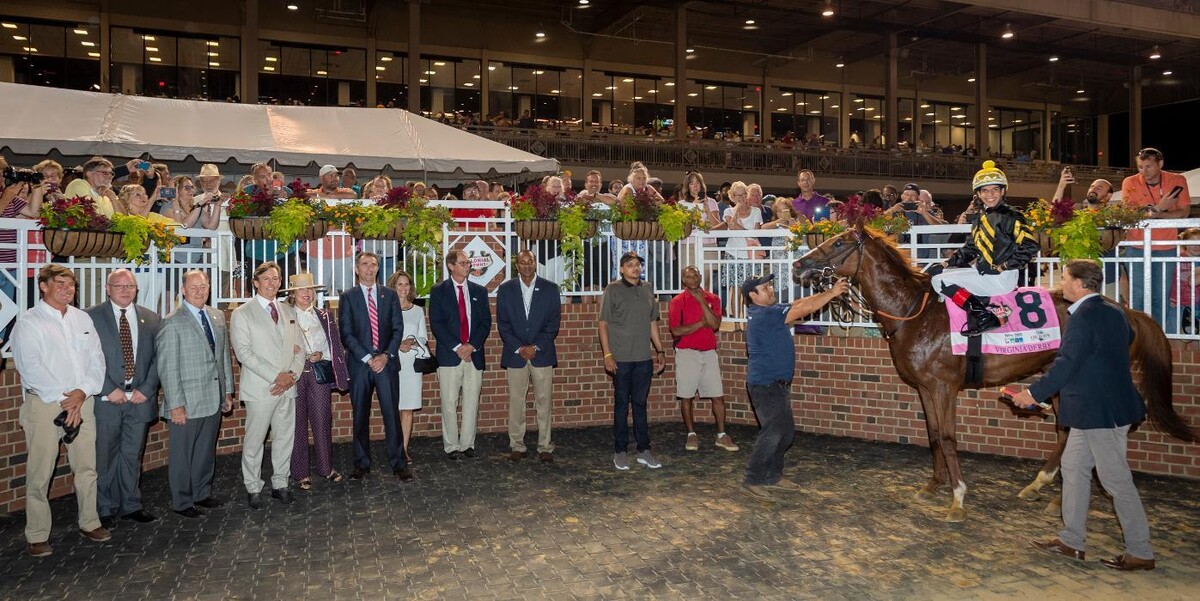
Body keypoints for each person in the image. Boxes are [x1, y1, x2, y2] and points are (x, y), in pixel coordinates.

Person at [1010, 260, 1156, 571]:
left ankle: (1140, 551)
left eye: (1064, 278)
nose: (1060, 283)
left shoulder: (1084, 317)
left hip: (1100, 411)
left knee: (1115, 480)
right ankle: (1071, 540)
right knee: (1073, 468)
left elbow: (1066, 365)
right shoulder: (1113, 310)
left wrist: (1032, 394)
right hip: (1093, 410)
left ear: (1079, 283)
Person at [12, 265, 109, 557]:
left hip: (83, 401)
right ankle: (37, 534)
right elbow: (30, 367)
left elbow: (97, 360)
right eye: (60, 284)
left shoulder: (82, 318)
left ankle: (90, 522)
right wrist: (66, 400)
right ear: (43, 286)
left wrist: (81, 393)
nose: (68, 290)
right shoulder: (29, 322)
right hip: (45, 404)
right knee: (40, 472)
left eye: (71, 285)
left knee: (87, 468)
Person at [740, 272, 849, 501]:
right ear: (753, 295)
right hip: (766, 384)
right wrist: (832, 293)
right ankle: (753, 479)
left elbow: (798, 303)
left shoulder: (768, 311)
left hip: (775, 385)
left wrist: (827, 292)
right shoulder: (763, 314)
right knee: (772, 432)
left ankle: (772, 475)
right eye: (765, 288)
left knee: (786, 433)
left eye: (770, 285)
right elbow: (802, 309)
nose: (771, 289)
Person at [85, 269, 162, 529]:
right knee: (105, 457)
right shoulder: (90, 317)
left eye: (130, 286)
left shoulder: (151, 319)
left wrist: (147, 389)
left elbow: (158, 358)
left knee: (132, 455)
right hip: (107, 400)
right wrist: (107, 388)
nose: (125, 290)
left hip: (139, 399)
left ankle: (131, 505)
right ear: (108, 289)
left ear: (136, 289)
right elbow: (85, 358)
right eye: (118, 286)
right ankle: (105, 508)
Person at [929, 161, 1039, 336]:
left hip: (1001, 278)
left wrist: (1004, 266)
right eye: (985, 190)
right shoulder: (980, 219)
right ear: (978, 194)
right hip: (984, 272)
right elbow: (969, 250)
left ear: (1003, 191)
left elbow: (1030, 246)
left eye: (995, 189)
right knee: (940, 274)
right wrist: (945, 264)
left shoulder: (1012, 215)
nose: (990, 194)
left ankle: (983, 317)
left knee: (939, 281)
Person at [157, 270, 233, 519]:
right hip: (186, 403)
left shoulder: (217, 316)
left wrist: (227, 391)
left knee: (204, 452)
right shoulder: (172, 322)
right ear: (183, 290)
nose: (200, 291)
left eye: (204, 286)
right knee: (182, 455)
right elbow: (167, 368)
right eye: (194, 287)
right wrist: (175, 405)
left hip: (213, 397)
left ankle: (202, 493)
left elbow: (223, 356)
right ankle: (182, 501)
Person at [230, 262, 305, 508]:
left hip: (288, 387)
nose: (271, 283)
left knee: (284, 438)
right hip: (261, 388)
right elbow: (244, 353)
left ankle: (280, 483)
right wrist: (277, 377)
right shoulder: (242, 313)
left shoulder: (289, 311)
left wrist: (291, 376)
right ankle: (253, 487)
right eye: (266, 279)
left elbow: (300, 349)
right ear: (255, 283)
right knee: (255, 441)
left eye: (275, 278)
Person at [338, 251, 408, 479]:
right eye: (365, 264)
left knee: (391, 415)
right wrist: (368, 358)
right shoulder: (348, 297)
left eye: (374, 264)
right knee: (360, 415)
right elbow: (346, 333)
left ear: (378, 268)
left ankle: (399, 464)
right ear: (356, 269)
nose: (369, 268)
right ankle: (361, 463)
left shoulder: (390, 295)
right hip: (360, 366)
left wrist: (386, 356)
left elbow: (397, 329)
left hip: (386, 364)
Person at [599, 251, 666, 471]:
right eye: (630, 265)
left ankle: (644, 450)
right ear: (621, 269)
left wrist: (660, 350)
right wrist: (607, 355)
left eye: (637, 264)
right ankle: (620, 451)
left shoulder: (647, 288)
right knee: (621, 405)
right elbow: (603, 323)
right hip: (620, 358)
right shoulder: (612, 289)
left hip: (643, 358)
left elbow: (652, 322)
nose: (635, 268)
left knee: (640, 404)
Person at [283, 272, 350, 490]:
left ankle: (326, 468)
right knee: (297, 423)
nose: (306, 293)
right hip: (294, 374)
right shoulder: (284, 315)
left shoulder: (324, 315)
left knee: (322, 420)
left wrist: (322, 354)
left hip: (318, 372)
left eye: (309, 289)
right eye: (301, 289)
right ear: (292, 294)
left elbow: (333, 344)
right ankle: (300, 472)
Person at [497, 250, 562, 463]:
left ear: (535, 263)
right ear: (517, 265)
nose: (526, 265)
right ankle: (517, 445)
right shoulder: (506, 289)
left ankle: (545, 446)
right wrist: (519, 347)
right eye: (522, 262)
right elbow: (503, 324)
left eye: (530, 261)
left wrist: (535, 347)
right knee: (516, 401)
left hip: (541, 353)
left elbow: (553, 323)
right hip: (515, 355)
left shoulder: (550, 289)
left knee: (544, 401)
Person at [429, 249, 492, 460]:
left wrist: (471, 346)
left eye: (468, 263)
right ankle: (451, 445)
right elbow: (437, 324)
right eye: (463, 263)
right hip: (449, 356)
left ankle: (467, 444)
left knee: (471, 402)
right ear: (451, 266)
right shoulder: (439, 291)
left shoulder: (479, 291)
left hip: (474, 355)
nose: (468, 266)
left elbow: (485, 323)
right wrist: (458, 347)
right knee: (449, 402)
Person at [1118, 147, 1191, 327]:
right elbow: (1129, 215)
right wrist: (1160, 208)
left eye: (1148, 166)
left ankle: (1158, 335)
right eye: (1140, 167)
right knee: (1137, 295)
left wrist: (1154, 214)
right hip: (1136, 246)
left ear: (1160, 163)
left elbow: (1183, 212)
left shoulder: (1177, 180)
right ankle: (1138, 334)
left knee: (1161, 295)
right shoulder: (1129, 182)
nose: (1144, 171)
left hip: (1167, 246)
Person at [669, 266, 737, 453]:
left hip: (708, 352)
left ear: (700, 277)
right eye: (687, 276)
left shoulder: (712, 298)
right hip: (686, 352)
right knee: (686, 395)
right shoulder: (677, 301)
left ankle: (722, 435)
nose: (692, 279)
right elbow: (676, 330)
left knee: (718, 395)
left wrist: (701, 302)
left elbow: (714, 325)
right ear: (683, 280)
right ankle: (691, 434)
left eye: (695, 275)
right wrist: (701, 323)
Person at [387, 269, 429, 466]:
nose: (403, 288)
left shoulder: (418, 310)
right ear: (393, 287)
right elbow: (382, 336)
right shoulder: (386, 309)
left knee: (407, 409)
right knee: (392, 408)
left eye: (406, 284)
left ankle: (403, 450)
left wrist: (411, 341)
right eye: (400, 284)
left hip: (411, 364)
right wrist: (397, 344)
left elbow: (423, 338)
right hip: (392, 363)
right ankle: (393, 447)